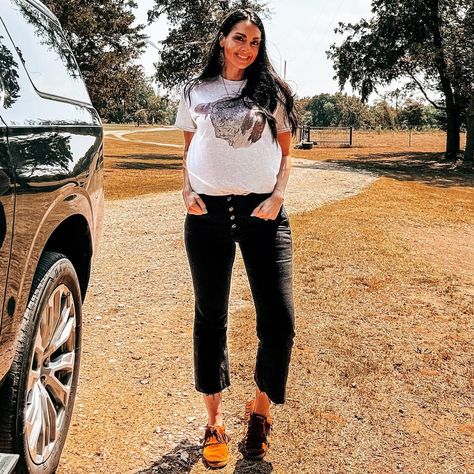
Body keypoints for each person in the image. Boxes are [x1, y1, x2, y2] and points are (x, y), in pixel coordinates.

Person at [175, 8, 298, 469]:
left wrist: (278, 196)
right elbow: (188, 150)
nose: (248, 49)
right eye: (240, 39)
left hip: (264, 214)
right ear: (223, 39)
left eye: (255, 42)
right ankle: (213, 421)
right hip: (206, 215)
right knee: (211, 317)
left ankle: (260, 411)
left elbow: (286, 154)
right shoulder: (195, 90)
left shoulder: (272, 92)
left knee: (280, 320)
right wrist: (186, 189)